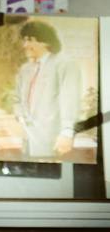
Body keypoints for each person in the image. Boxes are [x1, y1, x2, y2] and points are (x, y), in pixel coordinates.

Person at [12, 20, 83, 159]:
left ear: (46, 42)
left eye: (30, 40)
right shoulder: (25, 69)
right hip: (28, 140)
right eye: (24, 40)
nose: (25, 45)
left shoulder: (66, 65)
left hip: (54, 141)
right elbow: (16, 99)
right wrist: (20, 116)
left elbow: (70, 101)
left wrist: (67, 133)